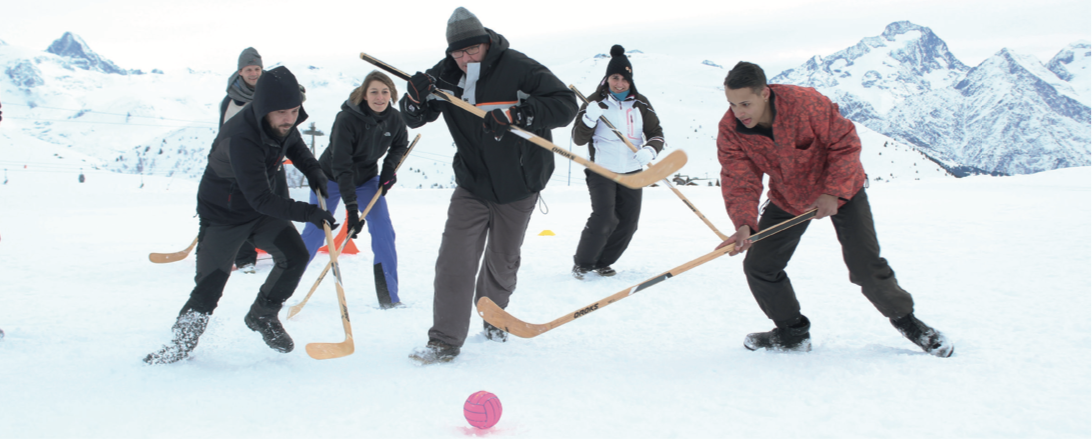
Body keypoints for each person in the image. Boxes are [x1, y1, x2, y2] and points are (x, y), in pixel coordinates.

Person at [716, 61, 953, 357]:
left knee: (865, 266)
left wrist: (832, 192)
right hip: (789, 197)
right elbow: (740, 178)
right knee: (759, 266)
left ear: (765, 93)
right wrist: (745, 224)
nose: (739, 112)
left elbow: (845, 145)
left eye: (745, 103)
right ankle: (792, 333)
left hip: (842, 190)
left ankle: (910, 323)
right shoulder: (731, 129)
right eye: (732, 104)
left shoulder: (806, 105)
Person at [398, 7, 577, 363]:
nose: (465, 59)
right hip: (473, 183)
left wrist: (520, 115)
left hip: (520, 182)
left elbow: (565, 105)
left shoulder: (517, 66)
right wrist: (414, 101)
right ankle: (445, 339)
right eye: (457, 53)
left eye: (472, 51)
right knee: (454, 260)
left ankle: (494, 316)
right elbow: (414, 118)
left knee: (502, 259)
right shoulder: (444, 76)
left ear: (485, 42)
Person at [144, 66, 337, 365]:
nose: (290, 118)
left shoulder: (284, 123)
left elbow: (295, 146)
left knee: (295, 256)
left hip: (260, 210)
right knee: (210, 286)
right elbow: (260, 198)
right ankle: (180, 343)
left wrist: (314, 172)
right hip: (224, 214)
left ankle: (263, 314)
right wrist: (309, 212)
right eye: (282, 112)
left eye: (295, 110)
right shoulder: (241, 137)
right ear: (263, 110)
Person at [300, 70, 409, 308]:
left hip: (367, 180)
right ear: (364, 94)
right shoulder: (346, 119)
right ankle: (283, 288)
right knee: (316, 231)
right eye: (374, 92)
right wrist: (351, 210)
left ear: (391, 94)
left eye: (385, 92)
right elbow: (342, 165)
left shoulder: (395, 119)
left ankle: (389, 296)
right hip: (330, 177)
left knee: (384, 231)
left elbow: (400, 144)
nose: (379, 97)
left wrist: (389, 170)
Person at [570, 44, 664, 280]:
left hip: (633, 171)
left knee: (629, 223)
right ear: (607, 78)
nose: (619, 83)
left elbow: (657, 133)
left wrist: (650, 150)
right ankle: (583, 263)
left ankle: (603, 261)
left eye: (624, 78)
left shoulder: (641, 103)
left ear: (630, 80)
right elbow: (578, 139)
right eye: (615, 77)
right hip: (602, 170)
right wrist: (589, 119)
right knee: (605, 217)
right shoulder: (594, 102)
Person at [220, 47, 271, 274]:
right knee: (242, 209)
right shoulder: (230, 100)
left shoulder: (269, 95)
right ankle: (245, 260)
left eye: (257, 69)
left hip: (268, 161)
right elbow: (223, 133)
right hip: (238, 163)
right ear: (240, 71)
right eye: (249, 69)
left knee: (274, 206)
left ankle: (283, 253)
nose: (254, 73)